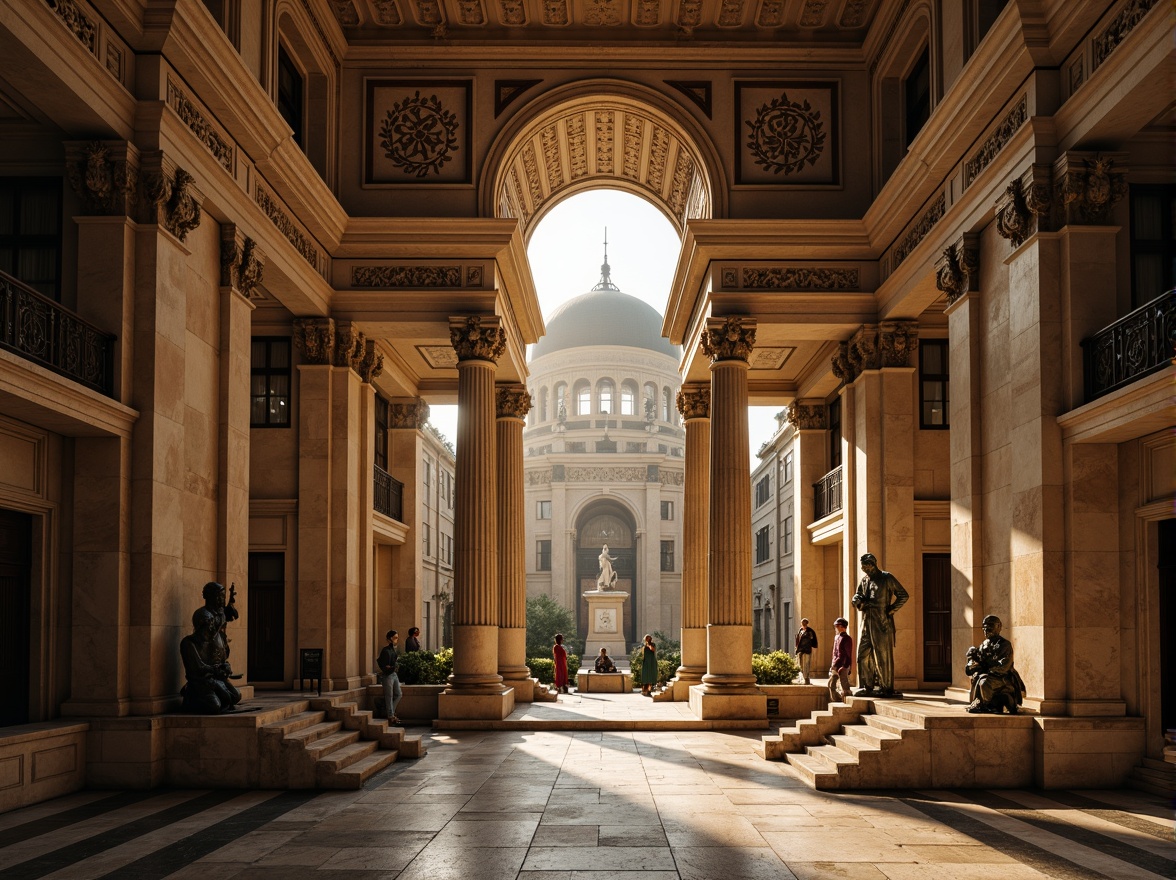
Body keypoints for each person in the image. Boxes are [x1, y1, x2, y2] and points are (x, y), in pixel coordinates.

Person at [850, 552, 909, 696]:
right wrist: (856, 599)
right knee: (863, 655)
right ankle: (867, 686)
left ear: (872, 564)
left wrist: (891, 610)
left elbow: (903, 595)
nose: (864, 570)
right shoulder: (864, 580)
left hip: (882, 623)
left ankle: (886, 687)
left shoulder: (886, 578)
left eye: (866, 567)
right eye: (863, 568)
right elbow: (859, 596)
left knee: (883, 656)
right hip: (866, 622)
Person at [179, 608, 242, 714]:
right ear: (200, 627)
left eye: (212, 627)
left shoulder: (210, 641)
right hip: (199, 684)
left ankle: (221, 697)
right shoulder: (188, 643)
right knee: (214, 706)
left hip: (213, 679)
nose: (212, 630)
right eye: (209, 627)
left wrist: (225, 667)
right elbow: (198, 667)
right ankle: (190, 701)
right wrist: (215, 669)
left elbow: (218, 660)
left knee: (236, 696)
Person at [965, 615, 1026, 714]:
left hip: (1003, 676)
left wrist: (987, 669)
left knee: (985, 682)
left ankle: (986, 705)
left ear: (998, 627)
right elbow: (978, 662)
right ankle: (980, 702)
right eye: (984, 628)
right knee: (977, 677)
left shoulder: (1004, 644)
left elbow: (1004, 666)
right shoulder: (984, 644)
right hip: (989, 674)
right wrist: (972, 660)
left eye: (989, 628)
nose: (986, 631)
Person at [376, 630, 402, 723]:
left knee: (399, 694)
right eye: (395, 638)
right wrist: (387, 667)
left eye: (397, 638)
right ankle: (391, 716)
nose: (397, 640)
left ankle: (391, 713)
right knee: (389, 696)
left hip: (394, 674)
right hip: (387, 675)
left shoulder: (392, 649)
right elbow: (381, 662)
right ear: (390, 639)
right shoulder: (385, 650)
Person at [828, 617, 853, 703]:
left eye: (837, 626)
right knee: (831, 684)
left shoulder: (847, 638)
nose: (835, 628)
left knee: (844, 684)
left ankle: (847, 700)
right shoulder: (836, 637)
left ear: (842, 627)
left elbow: (847, 654)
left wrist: (845, 666)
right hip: (835, 664)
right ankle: (838, 700)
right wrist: (833, 665)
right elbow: (834, 652)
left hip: (843, 665)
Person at [794, 617, 818, 684]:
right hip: (800, 649)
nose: (803, 624)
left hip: (807, 649)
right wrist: (797, 647)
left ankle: (806, 679)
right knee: (800, 664)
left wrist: (813, 646)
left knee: (807, 664)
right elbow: (798, 639)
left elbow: (813, 639)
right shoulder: (800, 630)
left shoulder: (810, 631)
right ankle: (801, 677)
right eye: (802, 623)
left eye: (804, 623)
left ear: (806, 623)